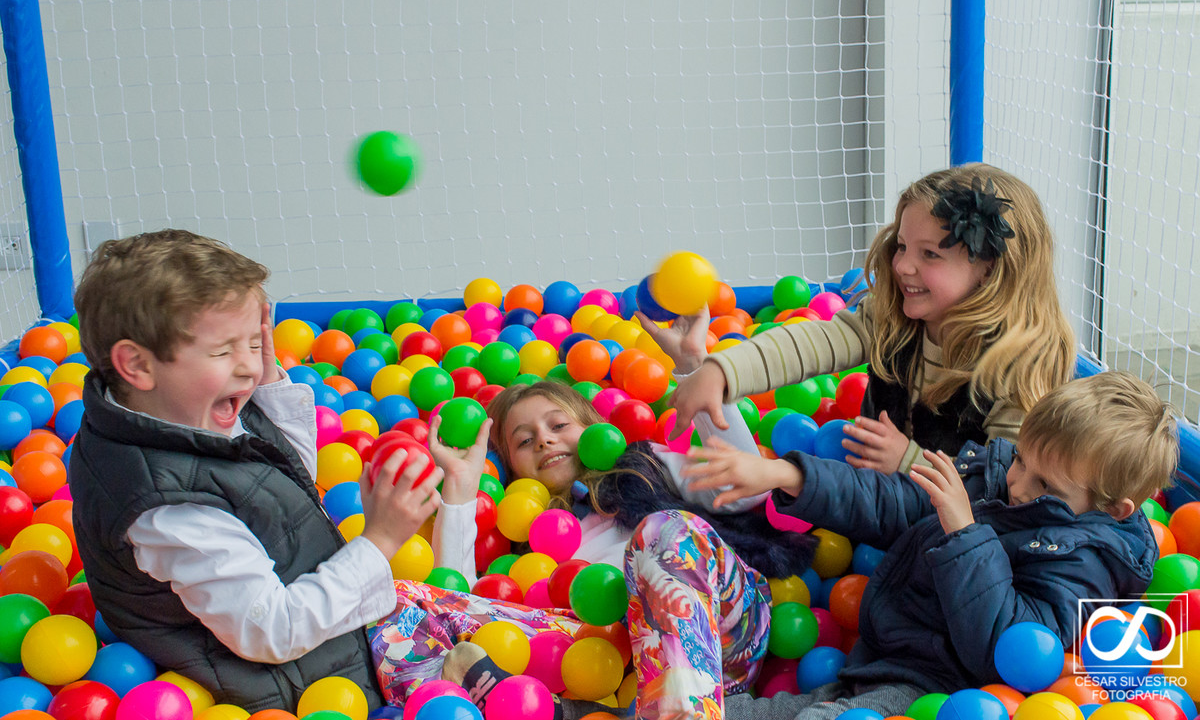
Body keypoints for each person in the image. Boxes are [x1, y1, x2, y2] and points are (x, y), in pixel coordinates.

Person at [70, 229, 444, 712]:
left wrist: (262, 375)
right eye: (224, 350)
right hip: (301, 689)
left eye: (254, 342)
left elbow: (283, 482)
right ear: (137, 365)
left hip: (335, 634)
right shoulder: (168, 507)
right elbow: (274, 631)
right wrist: (380, 541)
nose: (247, 366)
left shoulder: (178, 411)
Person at [371, 316, 815, 720]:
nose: (544, 440)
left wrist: (694, 365)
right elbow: (457, 598)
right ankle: (520, 709)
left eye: (558, 426)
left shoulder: (644, 466)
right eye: (524, 441)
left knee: (663, 530)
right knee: (397, 601)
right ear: (512, 468)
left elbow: (744, 487)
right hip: (611, 667)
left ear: (591, 427)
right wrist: (461, 485)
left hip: (719, 634)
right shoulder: (526, 538)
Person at [678, 370, 1177, 719]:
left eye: (1045, 485)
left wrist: (965, 532)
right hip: (882, 659)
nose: (1018, 484)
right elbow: (892, 500)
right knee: (743, 711)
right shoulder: (993, 477)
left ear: (1114, 509)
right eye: (1022, 459)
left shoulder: (1084, 564)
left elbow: (1007, 647)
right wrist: (788, 475)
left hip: (939, 692)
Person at [670, 163, 1076, 475]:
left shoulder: (1021, 366)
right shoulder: (894, 317)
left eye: (929, 254)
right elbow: (813, 343)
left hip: (951, 530)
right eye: (901, 246)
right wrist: (722, 370)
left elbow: (1004, 484)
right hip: (869, 496)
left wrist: (909, 461)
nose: (902, 266)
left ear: (990, 270)